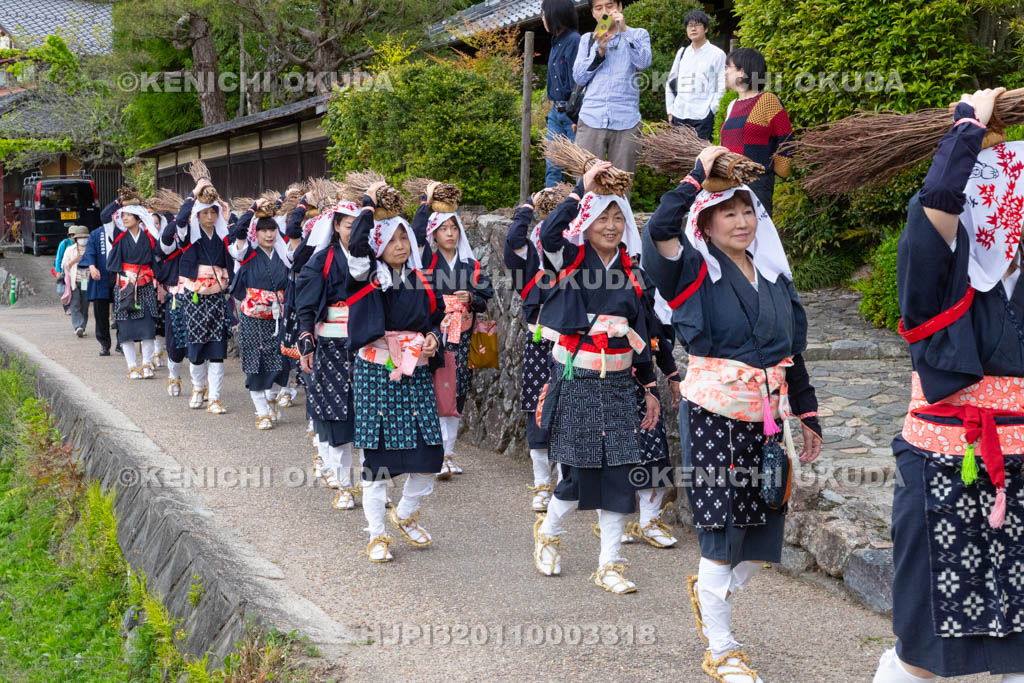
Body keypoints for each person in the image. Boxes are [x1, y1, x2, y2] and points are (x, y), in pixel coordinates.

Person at [643, 145, 822, 682]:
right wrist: (696, 176)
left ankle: (710, 592)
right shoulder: (693, 273)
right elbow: (658, 232)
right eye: (729, 212)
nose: (742, 221)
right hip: (714, 414)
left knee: (763, 522)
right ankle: (721, 649)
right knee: (723, 525)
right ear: (707, 220)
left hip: (769, 418)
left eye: (748, 211)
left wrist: (807, 415)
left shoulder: (773, 275)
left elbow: (794, 353)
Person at [869, 88, 1024, 683]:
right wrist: (965, 130)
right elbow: (935, 210)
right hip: (943, 467)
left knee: (1017, 635)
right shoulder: (940, 280)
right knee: (927, 643)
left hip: (1018, 469)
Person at [532, 161, 660, 594]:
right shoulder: (569, 258)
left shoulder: (633, 271)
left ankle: (610, 564)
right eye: (602, 216)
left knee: (621, 472)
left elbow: (643, 331)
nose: (611, 225)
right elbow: (548, 233)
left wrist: (651, 386)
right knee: (579, 473)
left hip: (621, 385)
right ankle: (549, 532)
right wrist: (579, 190)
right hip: (580, 379)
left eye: (618, 216)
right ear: (585, 222)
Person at [345, 181, 444, 562]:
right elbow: (356, 247)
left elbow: (435, 321)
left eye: (405, 238)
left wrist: (433, 338)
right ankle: (376, 535)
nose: (401, 245)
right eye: (392, 239)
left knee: (429, 457)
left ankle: (403, 514)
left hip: (415, 374)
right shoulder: (367, 278)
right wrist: (368, 205)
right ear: (378, 244)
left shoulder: (421, 281)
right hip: (376, 375)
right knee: (377, 462)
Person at [411, 183, 494, 479]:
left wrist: (470, 298)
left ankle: (447, 453)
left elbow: (486, 297)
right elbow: (415, 236)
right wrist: (426, 203)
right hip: (432, 335)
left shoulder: (470, 265)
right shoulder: (426, 262)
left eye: (453, 228)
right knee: (431, 393)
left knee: (456, 395)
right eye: (443, 228)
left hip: (461, 339)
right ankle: (433, 452)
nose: (449, 233)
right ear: (433, 233)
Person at [296, 200, 363, 509]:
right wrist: (307, 342)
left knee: (365, 414)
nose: (355, 231)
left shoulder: (372, 261)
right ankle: (344, 485)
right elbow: (306, 307)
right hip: (331, 347)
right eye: (349, 225)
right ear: (336, 226)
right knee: (336, 416)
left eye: (359, 225)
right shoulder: (320, 261)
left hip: (366, 346)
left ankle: (371, 485)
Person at [504, 190, 556, 511]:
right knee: (537, 409)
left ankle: (566, 481)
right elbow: (513, 236)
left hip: (571, 341)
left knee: (569, 408)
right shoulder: (529, 255)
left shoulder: (575, 250)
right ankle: (541, 484)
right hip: (539, 339)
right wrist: (528, 206)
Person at [228, 200, 293, 430]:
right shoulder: (246, 254)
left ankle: (272, 399)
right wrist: (253, 209)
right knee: (255, 363)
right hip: (252, 319)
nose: (268, 234)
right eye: (263, 230)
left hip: (277, 318)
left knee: (280, 363)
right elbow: (238, 230)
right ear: (256, 233)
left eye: (272, 229)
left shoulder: (284, 256)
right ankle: (261, 412)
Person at [173, 180, 233, 414]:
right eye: (204, 212)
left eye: (213, 212)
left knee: (217, 347)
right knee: (197, 346)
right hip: (195, 296)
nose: (209, 217)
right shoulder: (189, 236)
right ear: (197, 215)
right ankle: (198, 388)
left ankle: (216, 398)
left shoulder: (223, 236)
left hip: (217, 296)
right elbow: (180, 220)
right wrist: (194, 194)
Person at [571, 0, 651, 177]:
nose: (605, 12)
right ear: (593, 13)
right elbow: (579, 77)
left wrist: (625, 31)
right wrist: (599, 51)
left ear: (620, 7)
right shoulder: (587, 40)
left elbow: (643, 62)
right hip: (592, 117)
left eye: (610, 6)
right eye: (599, 8)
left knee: (622, 183)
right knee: (585, 184)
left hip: (627, 120)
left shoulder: (638, 34)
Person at [719, 48, 793, 216]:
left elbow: (786, 138)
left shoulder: (767, 101)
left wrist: (776, 170)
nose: (724, 73)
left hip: (756, 185)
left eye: (727, 67)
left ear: (741, 72)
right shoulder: (732, 105)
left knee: (758, 237)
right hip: (730, 183)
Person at [107, 194, 166, 379]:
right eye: (123, 215)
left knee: (148, 328)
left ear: (138, 218)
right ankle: (132, 367)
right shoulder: (118, 236)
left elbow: (158, 262)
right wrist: (119, 201)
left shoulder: (149, 239)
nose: (124, 218)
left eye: (129, 215)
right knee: (126, 330)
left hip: (146, 286)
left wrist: (162, 283)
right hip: (125, 287)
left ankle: (146, 365)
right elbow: (103, 217)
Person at [665, 9, 725, 141]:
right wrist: (670, 110)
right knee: (678, 157)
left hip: (702, 116)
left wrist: (712, 110)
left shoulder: (717, 54)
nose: (693, 28)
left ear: (706, 29)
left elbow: (721, 84)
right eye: (689, 25)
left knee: (700, 158)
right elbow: (671, 81)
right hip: (679, 113)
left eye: (697, 24)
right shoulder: (682, 52)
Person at [542, 0, 581, 188]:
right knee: (552, 165)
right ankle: (551, 211)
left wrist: (576, 116)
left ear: (554, 15)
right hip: (555, 113)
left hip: (571, 113)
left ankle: (583, 211)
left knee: (579, 166)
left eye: (544, 14)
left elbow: (580, 82)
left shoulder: (575, 41)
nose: (542, 18)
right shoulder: (555, 42)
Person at [78, 220, 113, 355]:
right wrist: (92, 267)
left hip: (119, 276)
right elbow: (90, 253)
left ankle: (122, 343)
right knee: (100, 314)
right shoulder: (96, 234)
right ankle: (104, 344)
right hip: (100, 276)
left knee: (123, 312)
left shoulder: (122, 232)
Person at [60, 225, 91, 338]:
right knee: (75, 305)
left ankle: (82, 327)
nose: (83, 239)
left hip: (86, 281)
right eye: (80, 237)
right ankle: (77, 326)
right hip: (74, 281)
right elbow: (64, 265)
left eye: (85, 237)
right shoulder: (70, 250)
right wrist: (74, 261)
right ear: (76, 238)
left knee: (84, 306)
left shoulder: (91, 249)